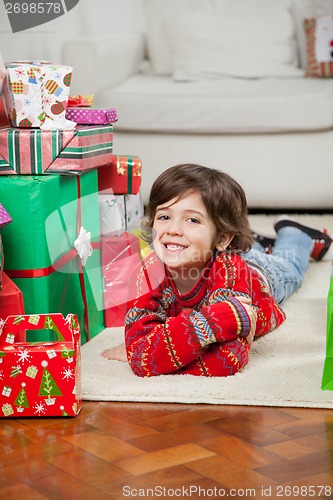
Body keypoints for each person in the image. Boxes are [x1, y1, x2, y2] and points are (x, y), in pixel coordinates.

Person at [102, 163, 332, 377]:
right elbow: (141, 355)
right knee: (249, 250)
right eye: (164, 217)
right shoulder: (147, 274)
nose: (172, 229)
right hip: (217, 252)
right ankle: (256, 242)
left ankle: (295, 232)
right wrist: (221, 318)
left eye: (192, 220)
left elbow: (229, 359)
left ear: (221, 238)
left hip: (261, 275)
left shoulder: (232, 271)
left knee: (290, 267)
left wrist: (159, 353)